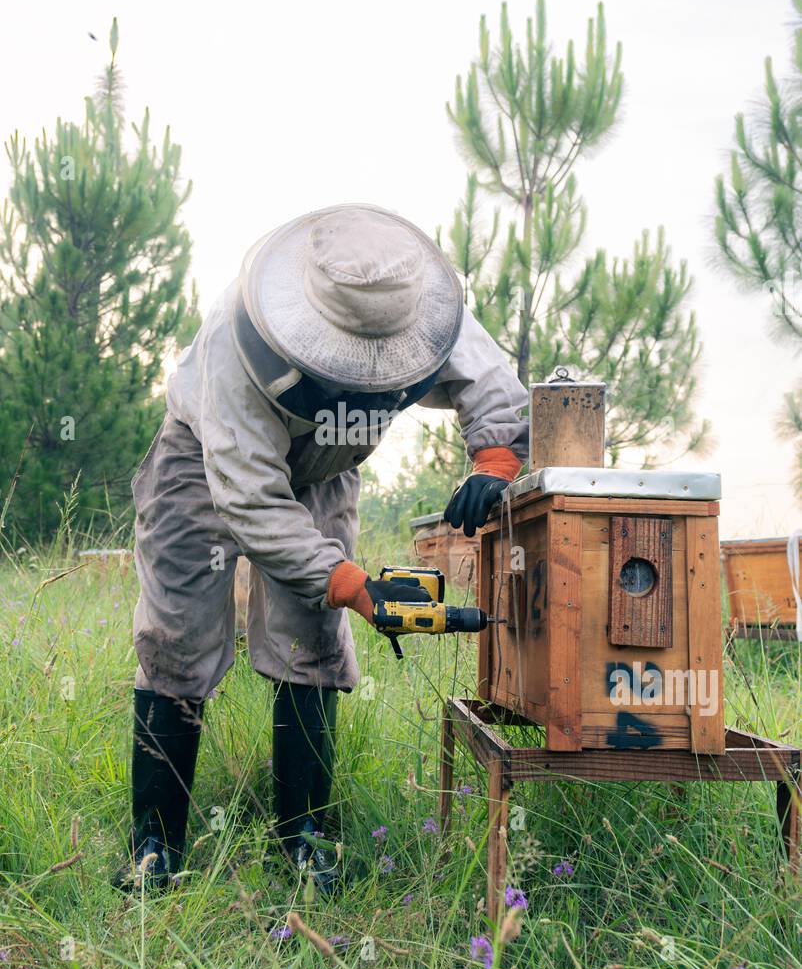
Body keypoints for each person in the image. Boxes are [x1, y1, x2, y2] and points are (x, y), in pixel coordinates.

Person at [120, 204, 528, 894]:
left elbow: (488, 377)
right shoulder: (233, 342)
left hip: (326, 463)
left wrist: (493, 459)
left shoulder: (411, 297)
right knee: (177, 640)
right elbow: (250, 500)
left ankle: (304, 841)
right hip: (203, 460)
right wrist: (355, 586)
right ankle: (155, 848)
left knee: (313, 639)